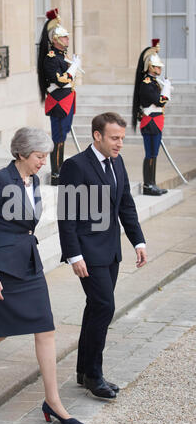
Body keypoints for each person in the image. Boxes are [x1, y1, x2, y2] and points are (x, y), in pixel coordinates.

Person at [0, 127, 84, 424]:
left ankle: (53, 401)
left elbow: (27, 225)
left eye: (45, 156)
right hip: (2, 269)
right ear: (21, 153)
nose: (43, 162)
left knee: (46, 329)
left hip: (29, 265)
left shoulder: (33, 180)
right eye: (39, 156)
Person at [57, 112, 147, 399]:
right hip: (87, 252)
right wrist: (73, 255)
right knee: (105, 306)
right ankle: (95, 375)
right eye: (114, 138)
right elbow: (66, 214)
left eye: (122, 138)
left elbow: (126, 206)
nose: (120, 143)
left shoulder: (117, 162)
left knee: (96, 308)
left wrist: (138, 242)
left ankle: (84, 371)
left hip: (111, 252)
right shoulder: (75, 166)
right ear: (97, 135)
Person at [37, 8, 81, 185]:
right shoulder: (51, 58)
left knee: (63, 136)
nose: (67, 39)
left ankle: (60, 169)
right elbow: (61, 81)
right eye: (64, 37)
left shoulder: (63, 56)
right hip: (58, 102)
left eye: (67, 37)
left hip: (66, 101)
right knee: (58, 138)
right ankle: (56, 173)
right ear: (55, 40)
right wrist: (73, 68)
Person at [132, 39, 172, 196]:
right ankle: (148, 185)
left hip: (155, 122)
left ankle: (152, 183)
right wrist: (167, 89)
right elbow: (160, 101)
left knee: (153, 154)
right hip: (151, 123)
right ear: (150, 67)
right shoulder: (147, 83)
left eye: (159, 67)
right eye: (156, 67)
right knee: (150, 154)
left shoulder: (153, 82)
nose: (159, 69)